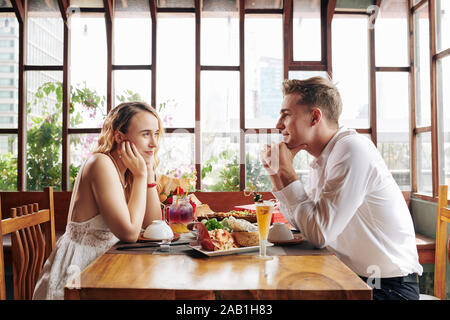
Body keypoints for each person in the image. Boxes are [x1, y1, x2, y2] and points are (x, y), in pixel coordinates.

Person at [260, 77, 423, 300]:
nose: (279, 124)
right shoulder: (326, 157)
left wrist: (286, 174)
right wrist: (276, 174)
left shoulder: (351, 149)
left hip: (387, 289)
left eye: (286, 114)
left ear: (315, 117)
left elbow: (318, 234)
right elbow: (303, 224)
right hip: (350, 278)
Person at [33, 101, 163, 300]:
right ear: (120, 137)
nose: (154, 143)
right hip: (77, 274)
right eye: (146, 134)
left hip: (106, 267)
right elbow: (129, 233)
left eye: (155, 134)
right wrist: (140, 176)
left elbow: (153, 225)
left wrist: (148, 174)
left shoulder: (127, 170)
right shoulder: (101, 163)